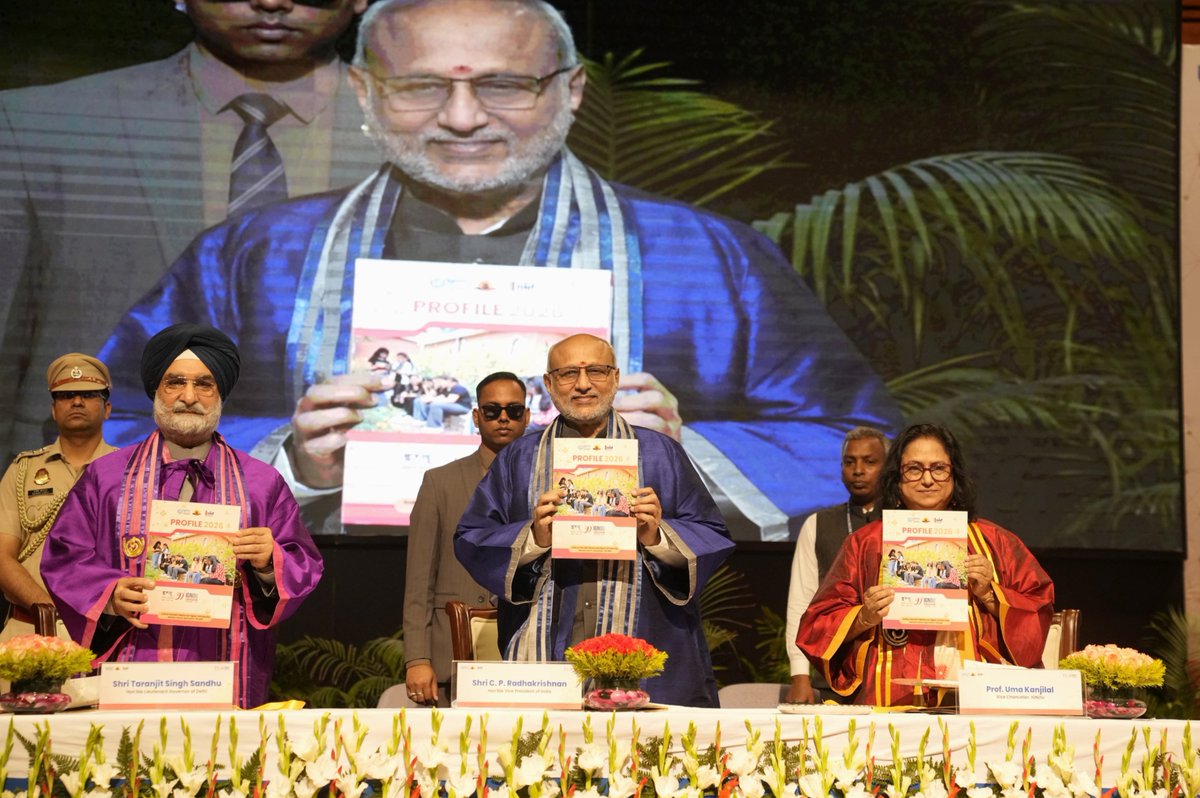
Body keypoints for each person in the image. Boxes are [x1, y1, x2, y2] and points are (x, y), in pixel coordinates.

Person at [96, 0, 902, 540]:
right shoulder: (259, 255)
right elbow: (107, 430)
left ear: (572, 91)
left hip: (608, 612)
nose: (461, 118)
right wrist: (286, 461)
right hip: (329, 601)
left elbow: (861, 446)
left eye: (505, 85)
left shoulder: (705, 258)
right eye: (418, 87)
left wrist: (684, 455)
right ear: (364, 94)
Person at [0, 0, 381, 456]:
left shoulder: (436, 140)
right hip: (85, 478)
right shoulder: (40, 126)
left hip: (348, 491)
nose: (272, 1)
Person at [41, 323, 324, 708]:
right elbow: (64, 555)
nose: (189, 396)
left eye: (204, 384)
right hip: (131, 664)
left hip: (226, 666)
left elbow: (302, 561)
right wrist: (110, 594)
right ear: (156, 391)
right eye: (175, 382)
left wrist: (267, 562)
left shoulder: (262, 483)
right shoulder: (106, 478)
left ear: (220, 394)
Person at [455, 334, 733, 707]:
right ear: (550, 384)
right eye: (569, 373)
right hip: (548, 652)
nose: (583, 384)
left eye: (596, 371)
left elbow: (711, 534)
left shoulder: (660, 453)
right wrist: (534, 537)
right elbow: (472, 537)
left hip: (643, 641)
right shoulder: (518, 459)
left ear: (615, 379)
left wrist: (656, 536)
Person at [796, 423, 1055, 708]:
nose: (927, 480)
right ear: (897, 478)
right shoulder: (865, 544)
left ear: (954, 475)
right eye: (914, 469)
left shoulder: (995, 542)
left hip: (973, 696)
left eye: (939, 468)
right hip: (890, 696)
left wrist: (991, 596)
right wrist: (864, 617)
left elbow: (1038, 610)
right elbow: (817, 625)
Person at [403, 370, 529, 706]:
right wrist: (417, 658)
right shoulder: (439, 483)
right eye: (492, 410)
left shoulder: (549, 484)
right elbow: (418, 580)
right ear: (476, 417)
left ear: (527, 416)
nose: (503, 418)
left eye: (514, 410)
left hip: (530, 658)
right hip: (451, 657)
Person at [0, 354, 118, 643]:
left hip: (108, 637)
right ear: (53, 410)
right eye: (65, 395)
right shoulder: (23, 470)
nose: (76, 402)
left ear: (107, 409)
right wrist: (48, 610)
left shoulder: (130, 472)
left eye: (88, 394)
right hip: (30, 631)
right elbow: (3, 556)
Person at [784, 426, 888, 704]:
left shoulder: (905, 523)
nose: (858, 470)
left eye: (869, 461)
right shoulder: (818, 524)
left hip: (892, 669)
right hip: (833, 669)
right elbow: (801, 602)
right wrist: (800, 675)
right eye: (849, 461)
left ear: (888, 468)